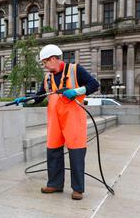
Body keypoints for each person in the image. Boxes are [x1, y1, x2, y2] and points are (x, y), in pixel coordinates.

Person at [14, 44, 100, 201]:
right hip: (54, 120)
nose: (44, 66)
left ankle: (78, 189)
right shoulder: (48, 78)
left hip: (73, 119)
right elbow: (39, 96)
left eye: (45, 62)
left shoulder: (75, 70)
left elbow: (94, 85)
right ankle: (55, 184)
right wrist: (25, 101)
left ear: (53, 59)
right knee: (53, 151)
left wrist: (76, 91)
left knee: (76, 153)